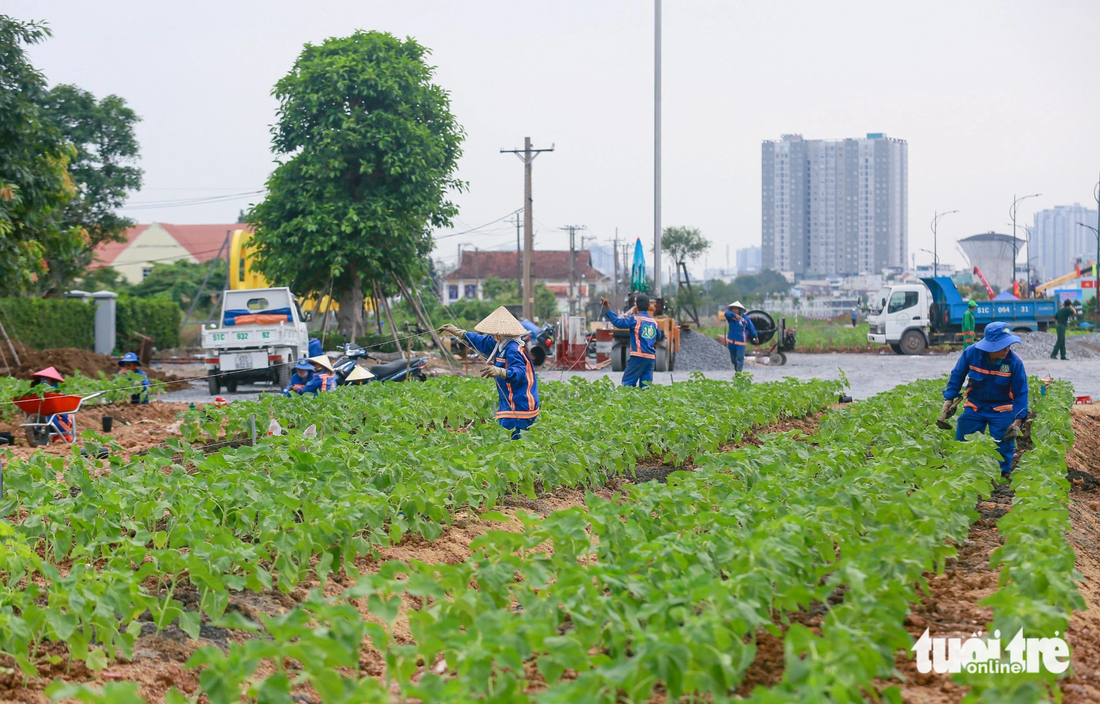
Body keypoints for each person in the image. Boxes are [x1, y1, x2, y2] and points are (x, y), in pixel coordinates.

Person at [941, 321, 1028, 479]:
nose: (1007, 349)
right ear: (990, 346)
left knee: (1005, 437)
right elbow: (957, 375)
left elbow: (1021, 392)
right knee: (964, 433)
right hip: (975, 405)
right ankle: (962, 470)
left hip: (1002, 407)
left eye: (1008, 345)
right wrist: (949, 399)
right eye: (1002, 346)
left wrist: (1017, 422)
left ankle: (1002, 474)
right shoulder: (971, 354)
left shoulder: (1014, 362)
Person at [439, 306, 540, 439]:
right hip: (512, 404)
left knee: (510, 446)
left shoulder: (512, 348)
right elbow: (481, 341)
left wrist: (500, 371)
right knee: (511, 444)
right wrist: (458, 332)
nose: (492, 335)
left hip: (519, 406)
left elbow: (519, 373)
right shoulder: (501, 344)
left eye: (494, 332)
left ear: (501, 332)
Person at [600, 294, 663, 388]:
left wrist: (607, 307)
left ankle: (628, 402)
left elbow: (617, 322)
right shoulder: (653, 322)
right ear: (649, 306)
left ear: (636, 306)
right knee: (646, 386)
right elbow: (659, 335)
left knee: (628, 383)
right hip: (650, 358)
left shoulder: (635, 319)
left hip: (638, 356)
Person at [27, 366, 74, 442]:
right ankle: (38, 435)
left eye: (45, 380)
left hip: (62, 423)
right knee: (32, 412)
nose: (43, 382)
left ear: (53, 381)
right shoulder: (37, 395)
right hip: (44, 422)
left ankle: (63, 436)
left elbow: (64, 416)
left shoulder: (59, 395)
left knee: (47, 414)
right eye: (41, 380)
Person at [724, 301, 759, 374]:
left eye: (736, 309)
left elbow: (751, 328)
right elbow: (726, 313)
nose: (734, 310)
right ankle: (736, 370)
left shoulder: (745, 318)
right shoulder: (731, 318)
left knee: (739, 358)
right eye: (733, 309)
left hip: (741, 342)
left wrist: (755, 336)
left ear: (740, 309)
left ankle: (738, 373)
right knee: (733, 359)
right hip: (731, 341)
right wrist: (734, 315)